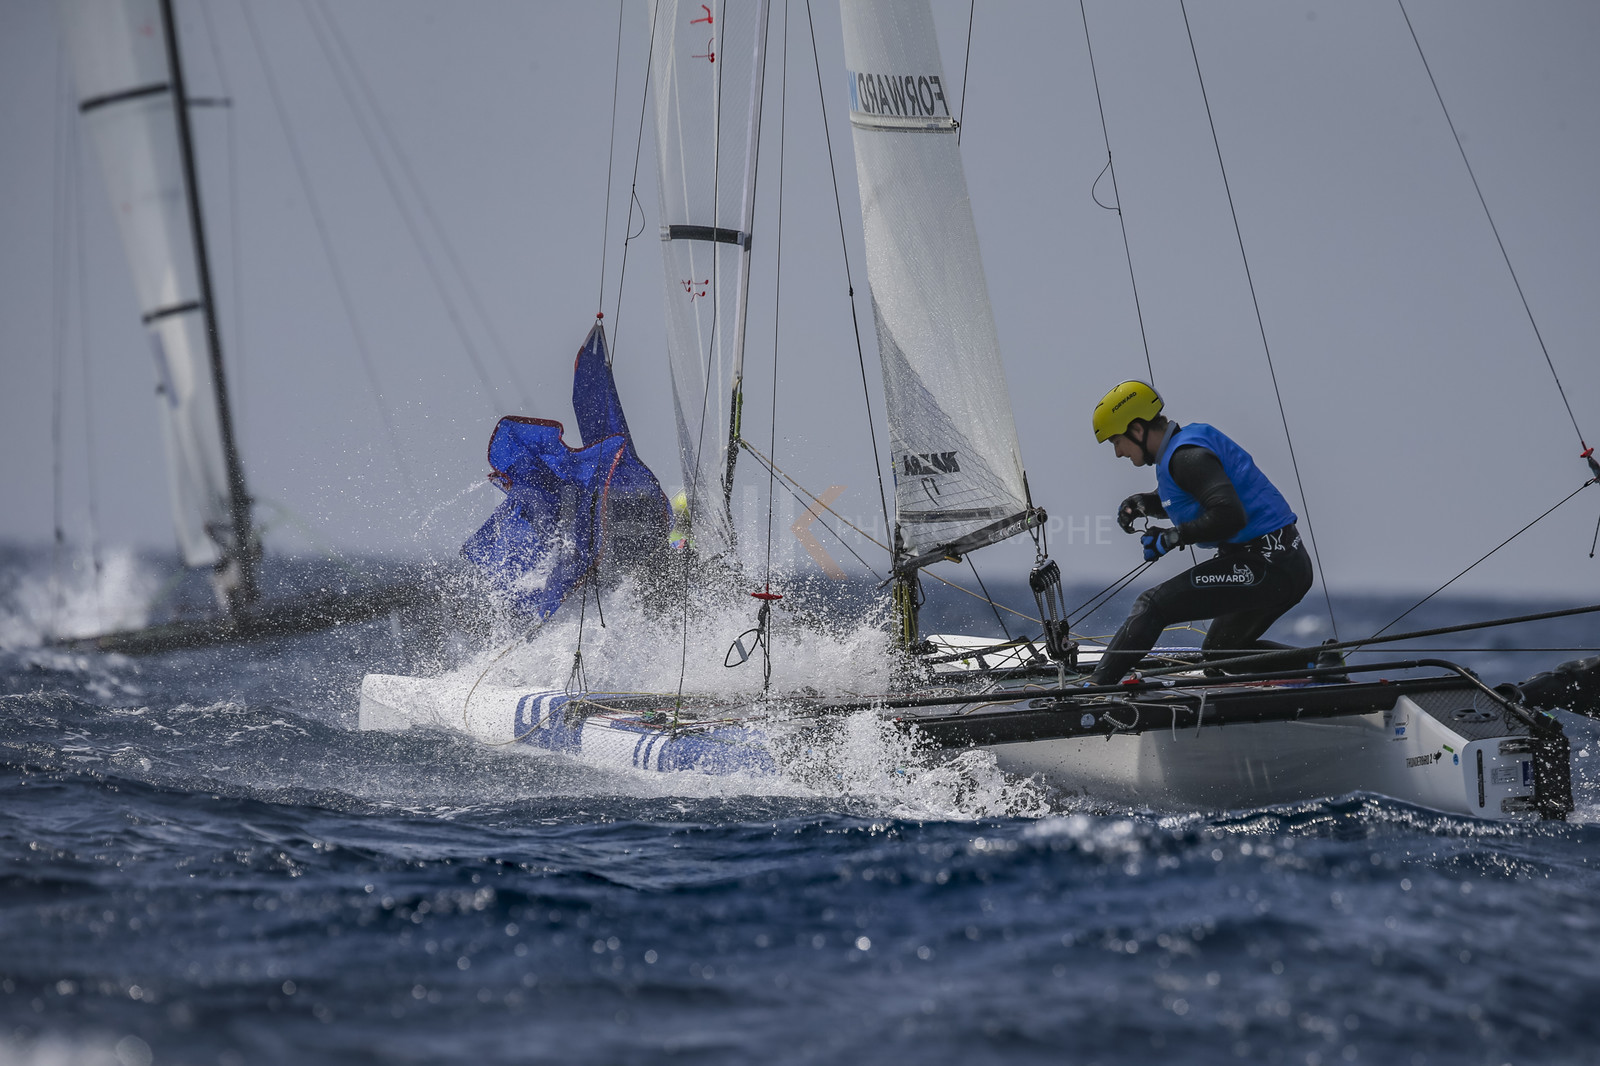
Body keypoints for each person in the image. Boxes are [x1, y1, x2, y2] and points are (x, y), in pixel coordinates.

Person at [1087, 380, 1315, 685]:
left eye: (1117, 441)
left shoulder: (1186, 456)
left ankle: (1095, 690)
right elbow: (1189, 497)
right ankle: (1318, 664)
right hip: (1281, 562)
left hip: (1268, 563)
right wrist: (1144, 504)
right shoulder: (1181, 450)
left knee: (1153, 605)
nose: (1117, 453)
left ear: (1137, 429)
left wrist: (1171, 538)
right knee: (1221, 654)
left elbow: (1229, 515)